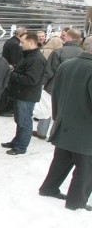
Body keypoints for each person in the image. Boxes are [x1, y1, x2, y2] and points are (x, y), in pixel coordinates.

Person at [38, 38, 92, 212]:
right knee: (86, 169)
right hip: (86, 132)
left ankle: (48, 188)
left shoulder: (65, 65)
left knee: (60, 161)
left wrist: (57, 117)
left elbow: (55, 94)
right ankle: (76, 203)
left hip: (64, 125)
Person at [1, 32, 46, 155]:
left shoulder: (36, 59)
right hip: (21, 94)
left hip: (26, 95)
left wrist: (12, 73)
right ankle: (17, 141)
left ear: (31, 42)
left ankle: (21, 146)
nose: (20, 45)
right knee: (20, 120)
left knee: (24, 121)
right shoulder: (28, 56)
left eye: (22, 42)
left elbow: (31, 80)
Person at [34, 29, 82, 139]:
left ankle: (42, 132)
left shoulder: (58, 52)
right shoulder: (82, 53)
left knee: (48, 108)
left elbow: (49, 71)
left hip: (55, 86)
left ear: (68, 37)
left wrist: (41, 84)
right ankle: (55, 134)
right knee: (62, 111)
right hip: (74, 88)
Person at [0, 27, 26, 116]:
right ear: (21, 35)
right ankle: (3, 109)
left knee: (5, 89)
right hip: (10, 71)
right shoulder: (15, 44)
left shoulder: (10, 41)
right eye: (25, 34)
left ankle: (2, 109)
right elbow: (15, 60)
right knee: (7, 90)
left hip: (6, 69)